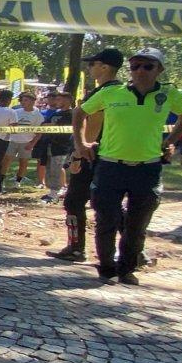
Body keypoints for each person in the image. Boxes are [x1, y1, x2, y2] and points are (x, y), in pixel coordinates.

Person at [75, 47, 182, 285]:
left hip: (147, 168)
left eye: (147, 66)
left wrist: (170, 141)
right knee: (106, 219)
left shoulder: (170, 94)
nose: (140, 71)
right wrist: (81, 143)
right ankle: (106, 267)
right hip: (110, 166)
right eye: (135, 66)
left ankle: (127, 268)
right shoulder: (113, 93)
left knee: (137, 224)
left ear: (159, 69)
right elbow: (80, 112)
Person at [48, 49, 124, 262]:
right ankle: (134, 249)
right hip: (109, 155)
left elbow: (93, 122)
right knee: (109, 203)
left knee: (74, 201)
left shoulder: (104, 92)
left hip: (92, 155)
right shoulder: (123, 91)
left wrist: (79, 154)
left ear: (105, 67)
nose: (89, 68)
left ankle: (76, 247)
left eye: (92, 64)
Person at [0, 91, 44, 187]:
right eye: (22, 100)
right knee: (6, 160)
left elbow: (39, 132)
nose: (22, 102)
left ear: (32, 101)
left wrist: (32, 144)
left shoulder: (38, 116)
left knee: (23, 162)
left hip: (26, 142)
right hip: (12, 140)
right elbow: (8, 125)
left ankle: (18, 181)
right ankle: (1, 180)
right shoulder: (16, 112)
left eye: (25, 100)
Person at [38, 92, 75, 203]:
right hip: (50, 144)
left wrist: (51, 126)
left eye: (59, 99)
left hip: (63, 145)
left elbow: (61, 126)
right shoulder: (55, 114)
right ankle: (52, 192)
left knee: (57, 168)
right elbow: (44, 125)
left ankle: (56, 192)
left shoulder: (71, 114)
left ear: (68, 100)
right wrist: (49, 126)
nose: (56, 101)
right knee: (50, 168)